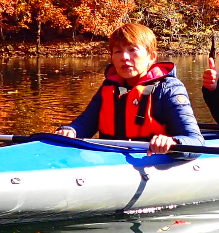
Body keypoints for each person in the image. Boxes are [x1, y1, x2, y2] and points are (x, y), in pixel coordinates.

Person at [57, 23, 203, 154]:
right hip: (111, 157)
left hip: (150, 159)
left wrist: (173, 142)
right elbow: (86, 122)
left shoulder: (169, 89)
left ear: (151, 57)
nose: (124, 57)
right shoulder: (109, 87)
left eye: (132, 50)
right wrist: (71, 131)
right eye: (118, 51)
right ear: (112, 58)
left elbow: (195, 140)